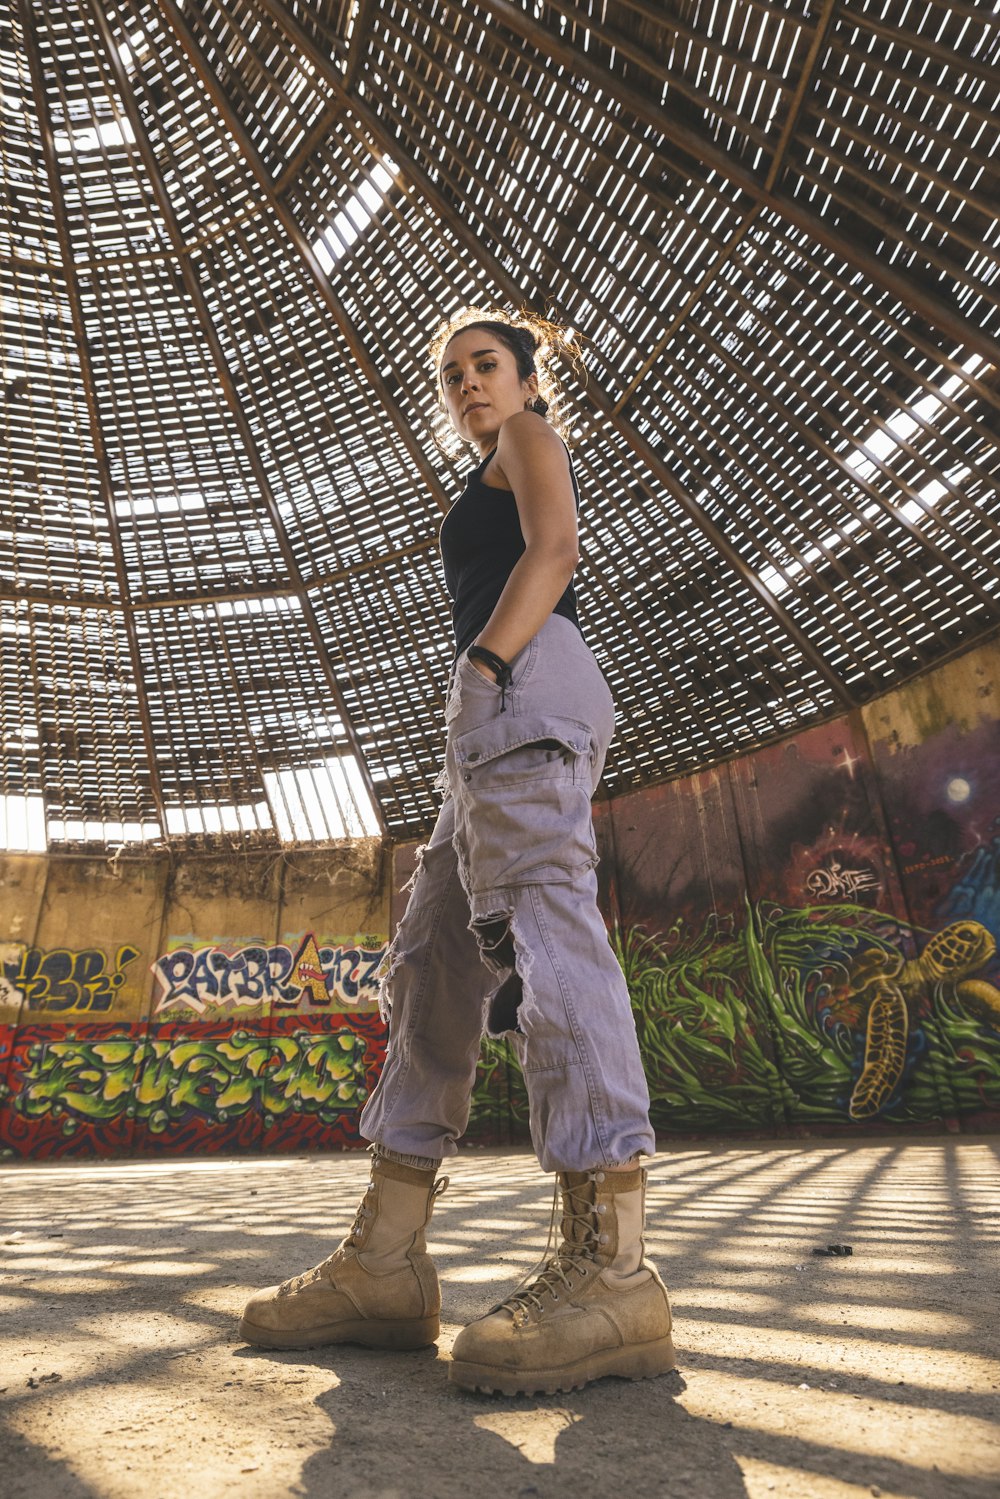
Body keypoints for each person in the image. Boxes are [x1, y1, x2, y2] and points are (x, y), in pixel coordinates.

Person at [240, 308, 674, 1396]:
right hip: (486, 710)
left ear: (526, 378)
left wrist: (482, 665)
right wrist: (474, 690)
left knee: (543, 934)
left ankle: (612, 1267)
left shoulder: (530, 437)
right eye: (453, 375)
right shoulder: (484, 457)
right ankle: (385, 1262)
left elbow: (556, 547)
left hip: (518, 681)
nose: (469, 384)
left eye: (487, 366)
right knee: (435, 957)